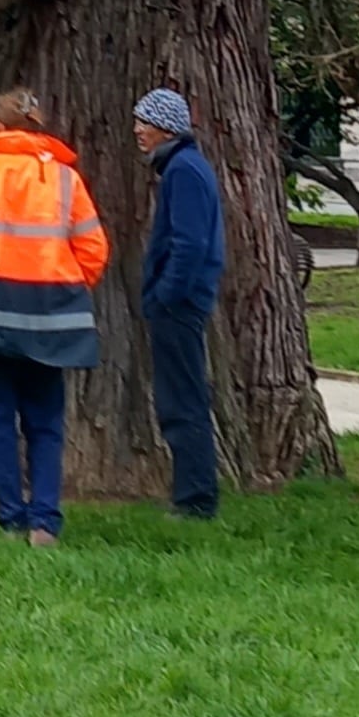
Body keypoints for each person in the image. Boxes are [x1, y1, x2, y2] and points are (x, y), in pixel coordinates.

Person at [0, 88, 110, 546]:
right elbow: (93, 248)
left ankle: (11, 517)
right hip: (51, 315)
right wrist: (65, 285)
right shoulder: (66, 178)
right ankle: (45, 521)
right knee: (46, 423)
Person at [134, 87, 226, 519]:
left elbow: (189, 244)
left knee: (182, 401)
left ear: (166, 128)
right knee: (182, 397)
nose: (138, 130)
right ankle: (193, 493)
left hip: (180, 305)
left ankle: (195, 499)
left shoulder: (184, 172)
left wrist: (165, 295)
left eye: (144, 121)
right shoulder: (185, 168)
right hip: (181, 302)